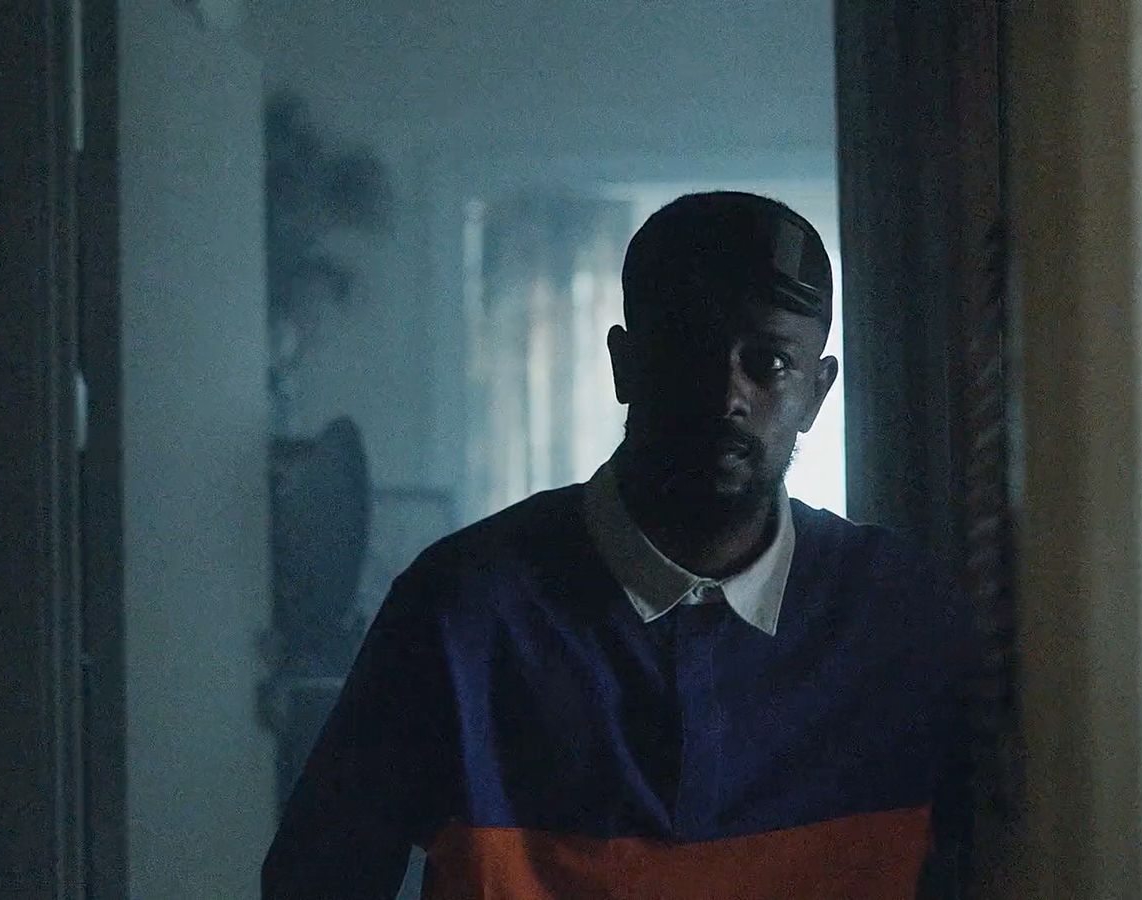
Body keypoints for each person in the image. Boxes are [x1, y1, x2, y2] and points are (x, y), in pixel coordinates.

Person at [261, 191, 974, 899]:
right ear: (625, 364)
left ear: (818, 393)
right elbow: (318, 876)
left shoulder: (900, 616)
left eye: (770, 364)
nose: (729, 394)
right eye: (691, 346)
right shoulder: (463, 609)